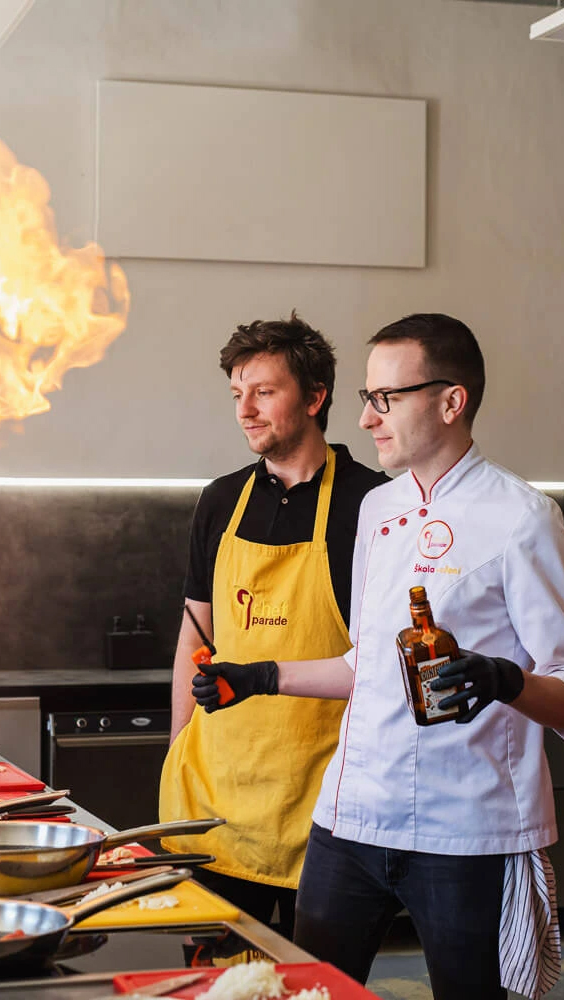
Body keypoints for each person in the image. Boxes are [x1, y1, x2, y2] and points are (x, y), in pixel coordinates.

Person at [193, 313, 564, 999]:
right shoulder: (379, 509)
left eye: (385, 399)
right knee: (310, 992)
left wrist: (504, 679)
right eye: (367, 398)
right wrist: (259, 677)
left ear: (450, 401)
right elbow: (365, 664)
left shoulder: (521, 518)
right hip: (352, 814)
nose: (365, 419)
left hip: (465, 831)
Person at [158, 312, 387, 937]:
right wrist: (180, 744)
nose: (246, 410)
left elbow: (382, 660)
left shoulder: (374, 505)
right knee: (223, 982)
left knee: (318, 981)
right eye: (238, 394)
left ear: (315, 398)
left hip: (328, 800)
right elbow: (195, 635)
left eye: (264, 391)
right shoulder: (219, 501)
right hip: (218, 797)